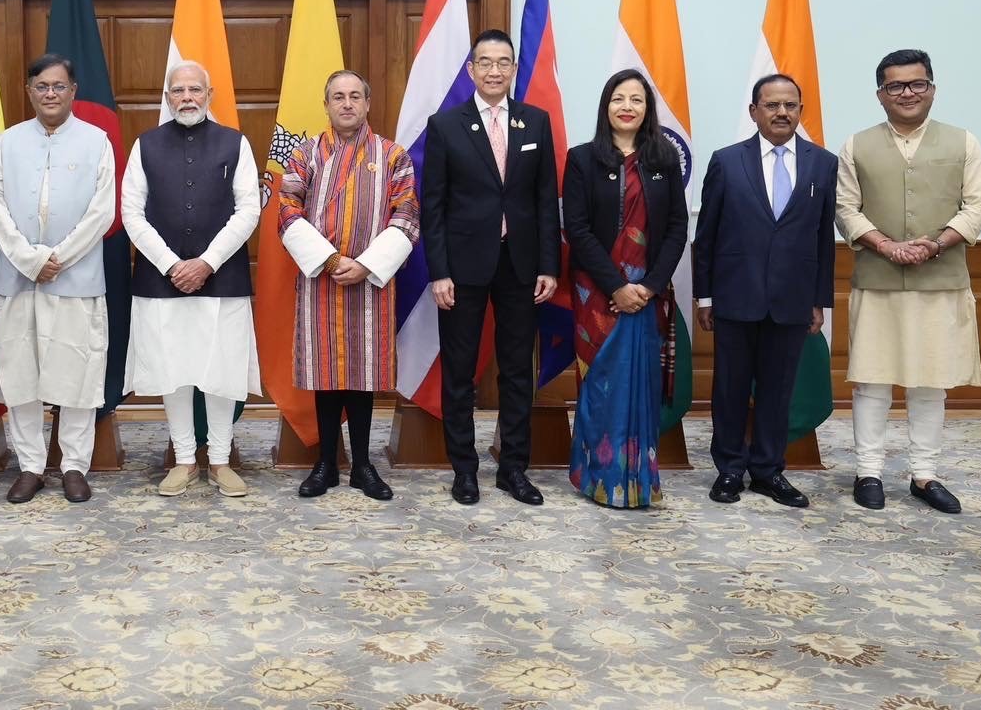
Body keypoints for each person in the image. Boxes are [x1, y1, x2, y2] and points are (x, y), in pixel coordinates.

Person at [835, 49, 981, 513]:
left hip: (941, 281)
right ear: (880, 94)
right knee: (872, 381)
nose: (907, 93)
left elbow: (978, 205)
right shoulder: (856, 145)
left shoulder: (963, 142)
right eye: (896, 86)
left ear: (932, 89)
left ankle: (925, 475)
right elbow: (846, 208)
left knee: (931, 382)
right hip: (877, 281)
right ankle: (869, 472)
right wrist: (885, 245)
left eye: (917, 84)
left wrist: (934, 245)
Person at [420, 29, 560, 507]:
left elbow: (545, 201)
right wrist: (438, 271)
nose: (495, 70)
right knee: (459, 372)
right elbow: (431, 207)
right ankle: (465, 470)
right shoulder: (445, 126)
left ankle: (513, 469)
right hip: (461, 268)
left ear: (514, 69)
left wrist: (549, 265)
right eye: (486, 62)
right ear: (471, 70)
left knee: (518, 370)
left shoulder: (535, 123)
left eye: (504, 62)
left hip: (521, 267)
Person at [693, 73, 836, 508]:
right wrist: (705, 296)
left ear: (800, 111)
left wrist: (820, 298)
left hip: (793, 298)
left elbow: (822, 238)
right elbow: (708, 234)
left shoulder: (822, 163)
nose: (781, 112)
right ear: (754, 111)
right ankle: (730, 469)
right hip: (736, 296)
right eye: (771, 105)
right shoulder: (726, 160)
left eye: (790, 105)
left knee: (778, 389)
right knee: (731, 388)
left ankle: (769, 471)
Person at [123, 61, 260, 497]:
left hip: (222, 278)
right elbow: (131, 213)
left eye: (194, 90)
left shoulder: (235, 144)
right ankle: (184, 459)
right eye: (178, 90)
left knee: (221, 370)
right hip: (161, 280)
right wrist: (171, 265)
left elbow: (249, 210)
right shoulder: (145, 145)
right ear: (167, 98)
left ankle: (219, 461)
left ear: (209, 94)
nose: (187, 97)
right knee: (173, 371)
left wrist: (207, 262)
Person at [280, 70, 419, 500]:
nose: (346, 104)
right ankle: (326, 464)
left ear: (368, 103)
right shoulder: (305, 155)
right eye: (338, 97)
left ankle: (361, 464)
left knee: (362, 373)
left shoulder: (393, 156)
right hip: (321, 277)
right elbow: (286, 210)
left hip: (370, 281)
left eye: (355, 96)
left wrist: (365, 264)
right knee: (326, 372)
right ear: (326, 104)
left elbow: (407, 215)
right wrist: (330, 260)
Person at [0, 54, 115, 505]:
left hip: (75, 278)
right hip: (19, 279)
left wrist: (57, 258)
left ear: (73, 90)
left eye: (59, 86)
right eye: (42, 86)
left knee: (76, 373)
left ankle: (75, 465)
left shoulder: (97, 140)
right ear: (29, 90)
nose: (50, 94)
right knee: (21, 375)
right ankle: (30, 466)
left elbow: (103, 211)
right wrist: (28, 259)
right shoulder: (7, 142)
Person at [561, 70, 688, 508]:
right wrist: (616, 286)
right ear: (606, 107)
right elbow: (576, 229)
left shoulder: (663, 161)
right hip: (595, 294)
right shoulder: (581, 159)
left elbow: (676, 228)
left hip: (647, 296)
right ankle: (597, 477)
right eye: (619, 98)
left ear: (647, 109)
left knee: (639, 386)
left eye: (637, 99)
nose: (627, 106)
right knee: (599, 384)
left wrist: (649, 287)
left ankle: (636, 480)